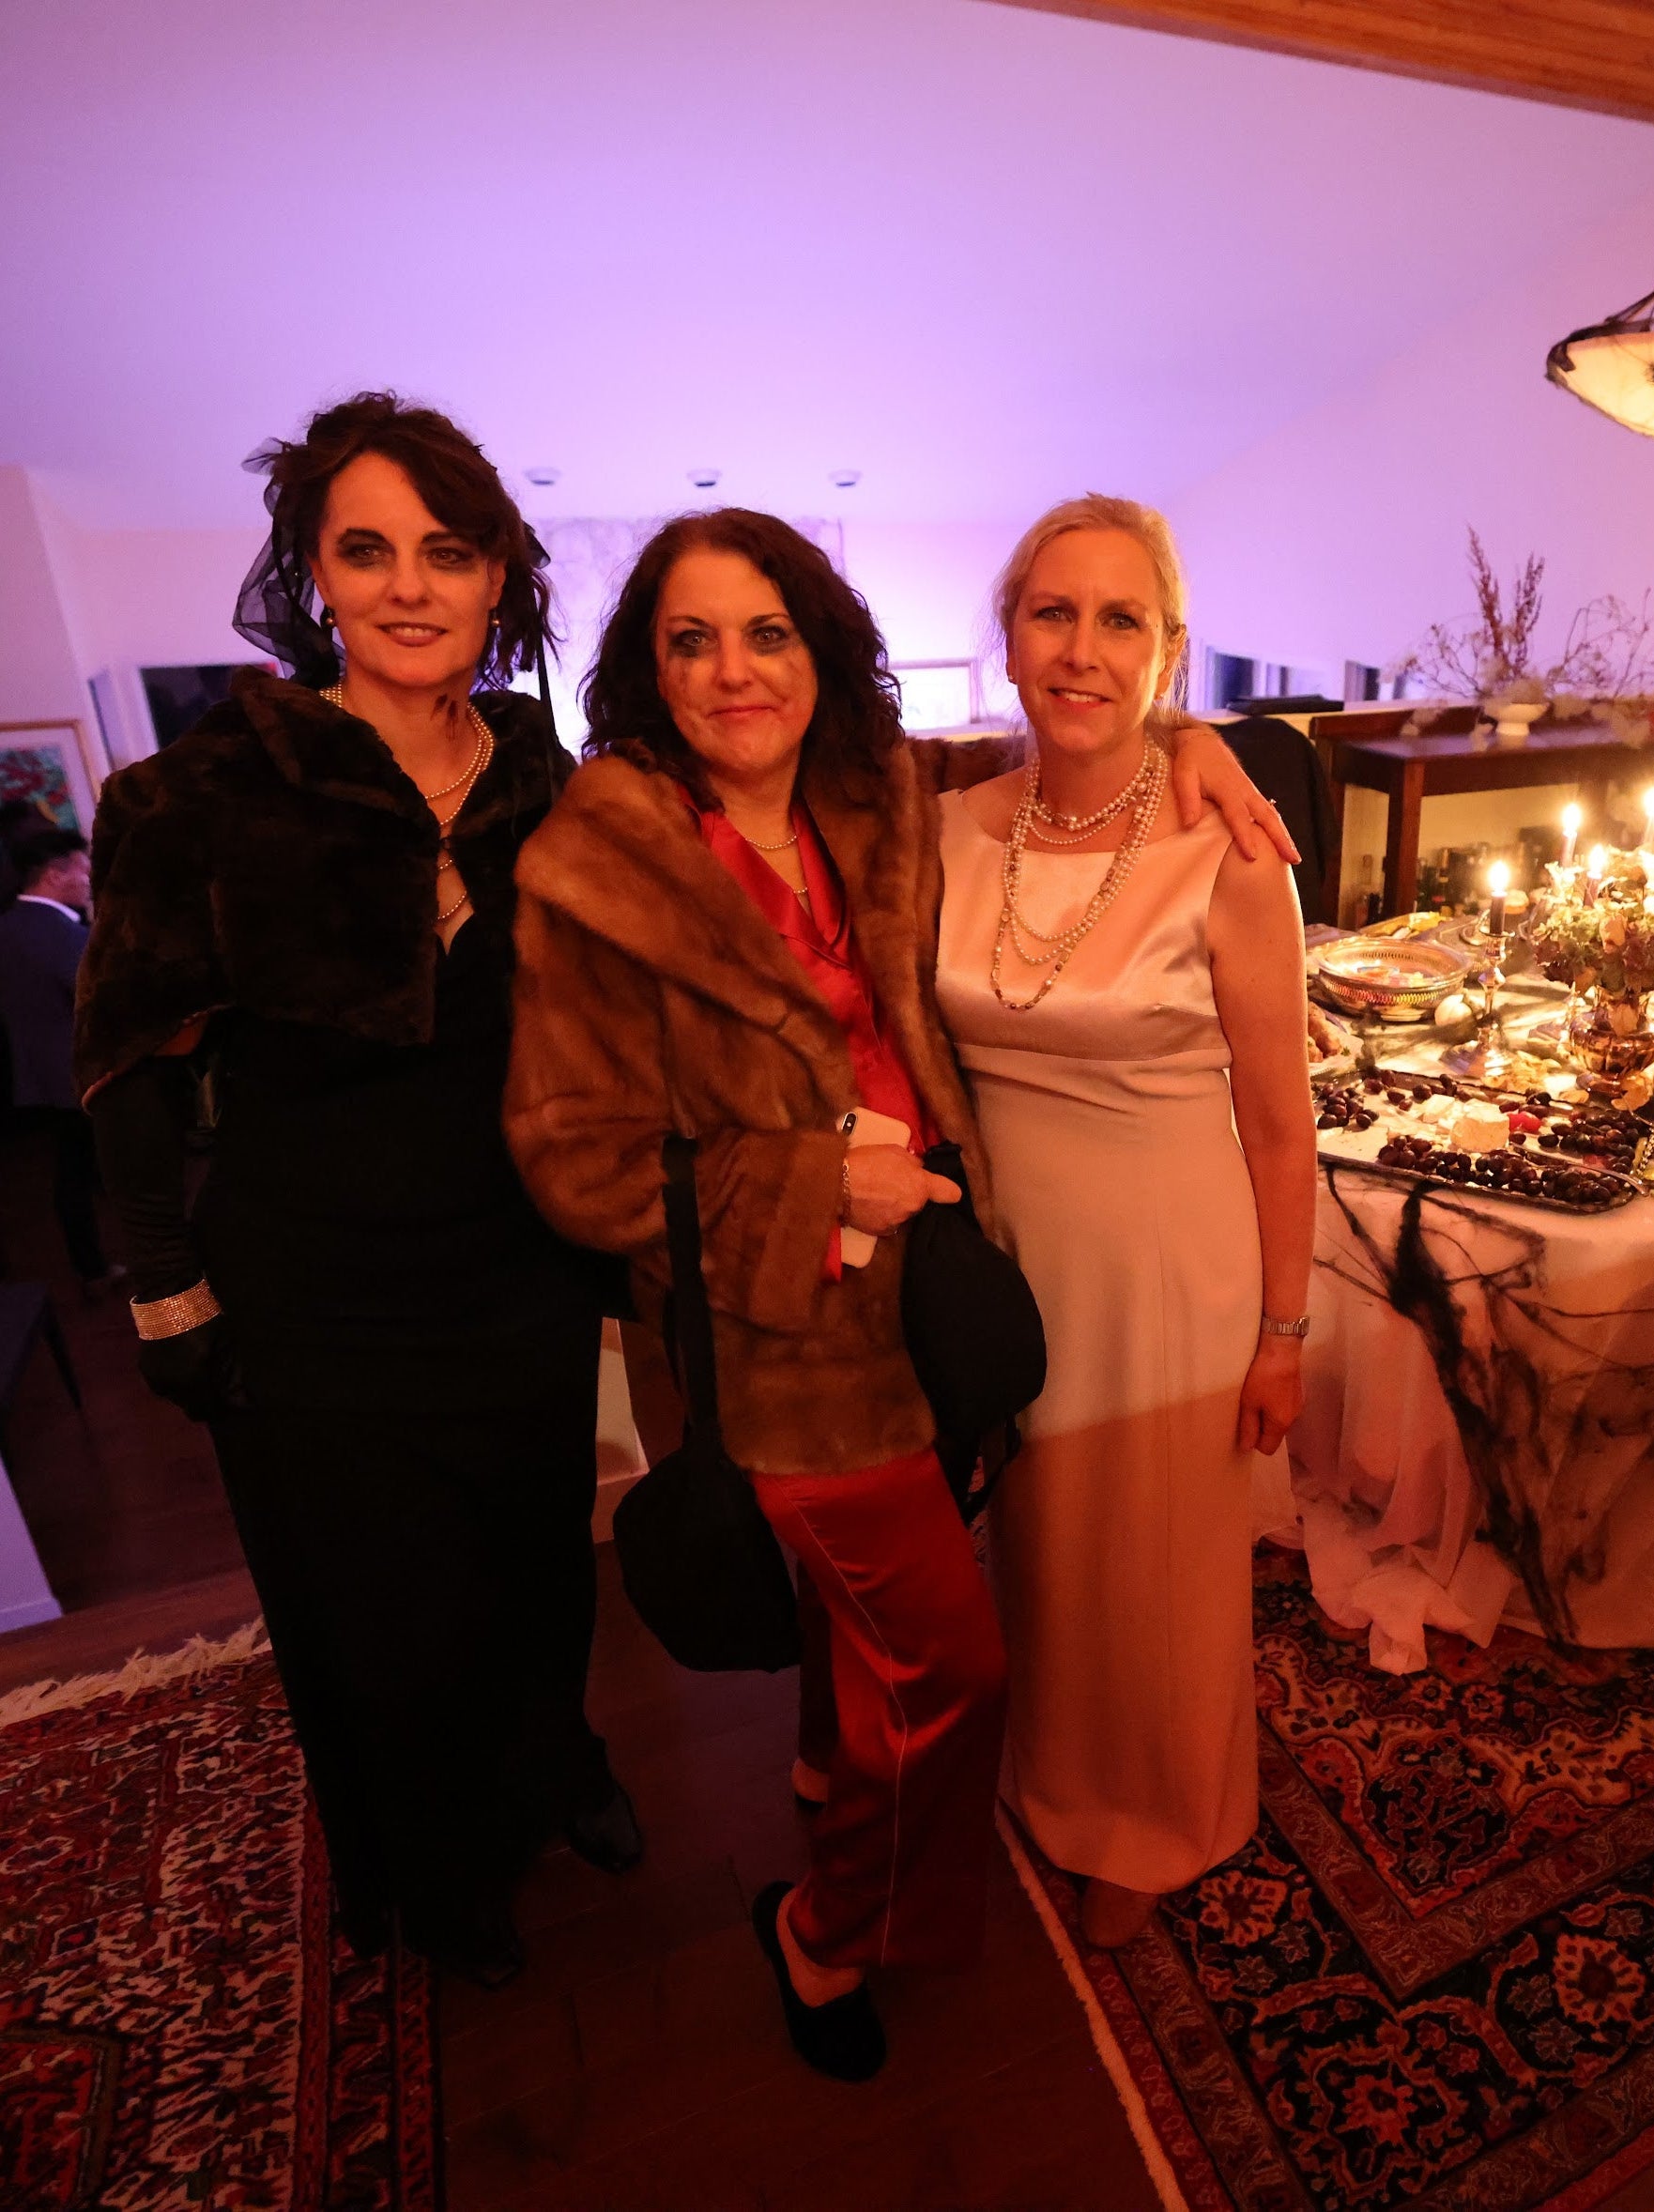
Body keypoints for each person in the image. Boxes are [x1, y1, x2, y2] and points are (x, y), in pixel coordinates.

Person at [503, 506, 1294, 2079]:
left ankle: (841, 1789)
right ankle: (823, 1932)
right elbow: (573, 1161)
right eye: (690, 638)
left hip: (935, 1311)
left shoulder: (877, 800)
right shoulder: (602, 865)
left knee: (892, 1642)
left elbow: (1082, 739)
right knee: (950, 1660)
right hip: (782, 1344)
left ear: (822, 653)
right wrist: (810, 1184)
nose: (735, 673)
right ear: (645, 669)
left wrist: (1198, 733)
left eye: (769, 633)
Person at [75, 392, 636, 1989]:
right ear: (313, 577)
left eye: (446, 552)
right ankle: (430, 1874)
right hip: (315, 1300)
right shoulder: (196, 800)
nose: (409, 586)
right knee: (381, 1626)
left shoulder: (548, 776)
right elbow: (126, 1055)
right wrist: (167, 1292)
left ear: (495, 579)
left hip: (516, 1271)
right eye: (367, 550)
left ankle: (555, 1771)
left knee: (536, 1566)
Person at [934, 496, 1316, 1949]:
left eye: (1120, 621)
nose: (1081, 650)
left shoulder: (1230, 853)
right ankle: (1061, 1781)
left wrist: (1284, 1331)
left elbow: (1284, 1131)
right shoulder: (952, 826)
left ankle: (1171, 1816)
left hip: (1173, 1271)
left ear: (1167, 651)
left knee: (1159, 1577)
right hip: (1020, 1271)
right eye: (1053, 613)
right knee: (1051, 1560)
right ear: (1009, 636)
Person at [0, 826, 121, 1293]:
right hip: (78, 1073)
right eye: (84, 866)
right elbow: (99, 999)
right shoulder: (53, 930)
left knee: (75, 1170)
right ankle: (98, 1268)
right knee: (89, 1172)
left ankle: (91, 1265)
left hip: (40, 1073)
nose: (90, 875)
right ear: (55, 874)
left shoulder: (9, 924)